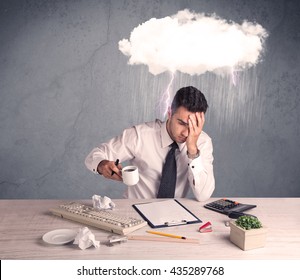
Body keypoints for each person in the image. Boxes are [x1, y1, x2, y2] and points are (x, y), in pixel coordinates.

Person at [85, 86, 215, 201]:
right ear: (169, 112)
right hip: (135, 213)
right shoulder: (140, 136)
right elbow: (94, 155)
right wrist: (102, 165)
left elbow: (203, 195)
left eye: (194, 126)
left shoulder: (202, 142)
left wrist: (192, 150)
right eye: (181, 123)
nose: (187, 133)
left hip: (175, 217)